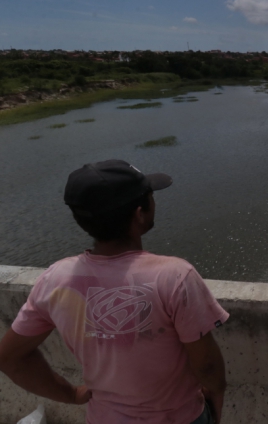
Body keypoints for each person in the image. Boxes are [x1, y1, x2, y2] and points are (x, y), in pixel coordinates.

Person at [0, 160, 229, 424]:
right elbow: (208, 367)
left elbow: (10, 358)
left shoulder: (55, 279)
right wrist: (216, 394)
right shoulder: (175, 276)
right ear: (140, 213)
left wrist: (72, 395)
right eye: (151, 197)